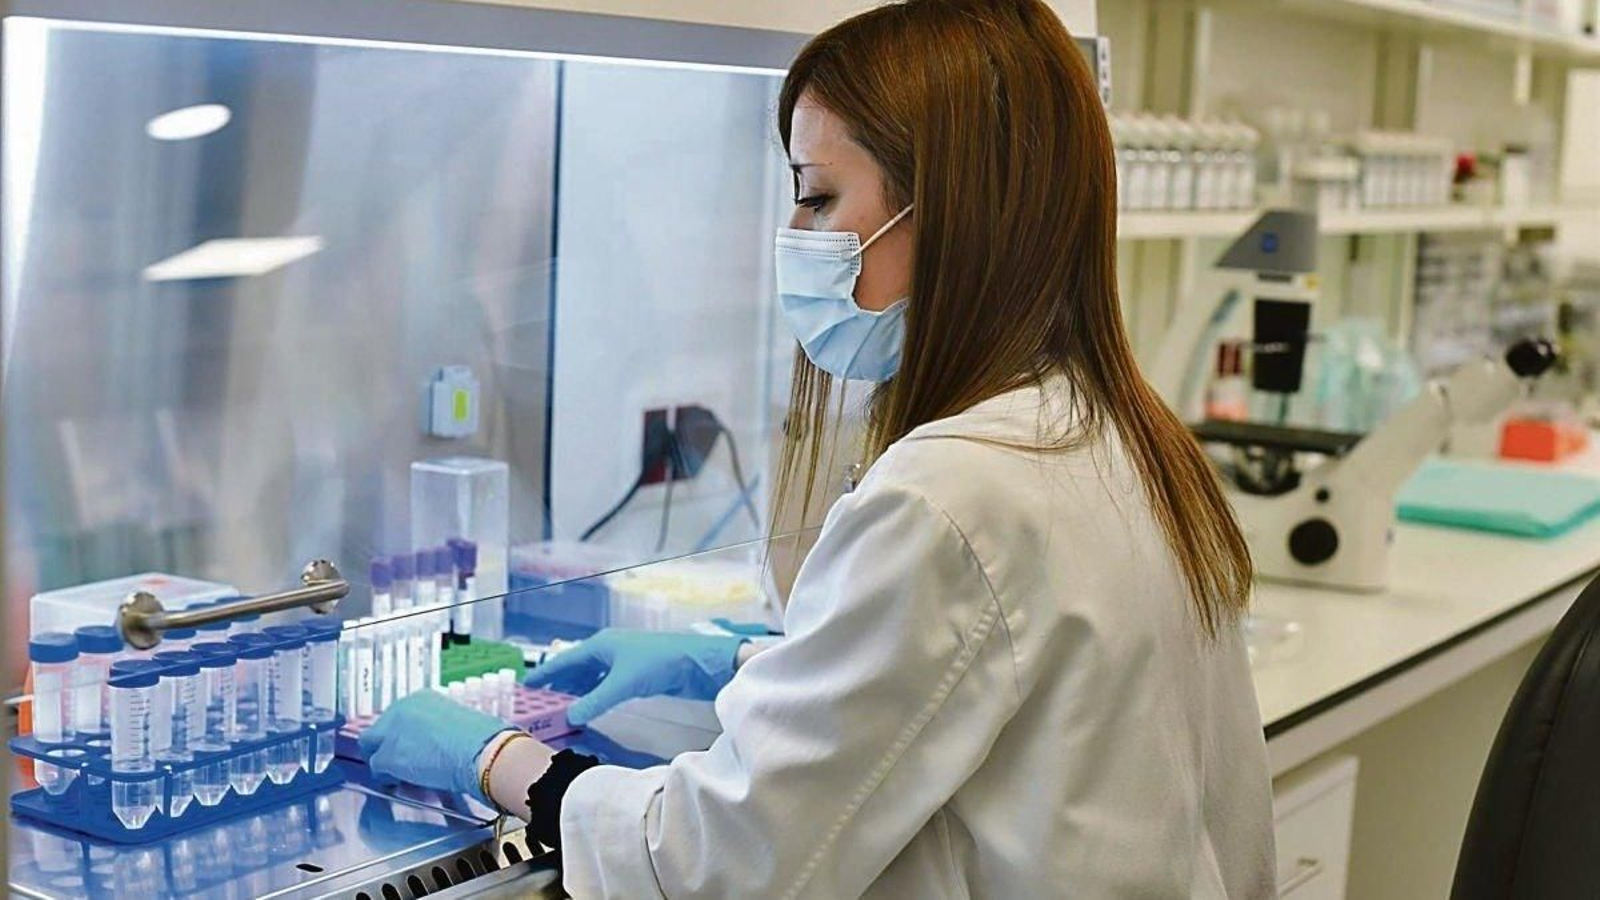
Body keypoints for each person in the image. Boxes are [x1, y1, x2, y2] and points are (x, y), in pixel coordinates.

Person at [360, 0, 1276, 896]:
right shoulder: (1114, 429)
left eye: (819, 195)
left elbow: (710, 860)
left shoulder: (952, 493)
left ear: (952, 208)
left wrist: (495, 761)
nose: (797, 237)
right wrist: (732, 664)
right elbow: (984, 688)